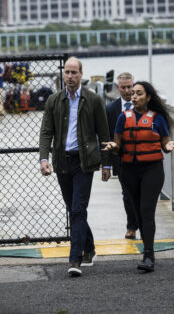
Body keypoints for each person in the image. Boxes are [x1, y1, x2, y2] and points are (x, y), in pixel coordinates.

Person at [39, 57, 111, 277]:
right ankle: (89, 247)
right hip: (62, 161)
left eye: (73, 72)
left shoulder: (93, 100)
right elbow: (46, 132)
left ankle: (75, 259)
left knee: (78, 209)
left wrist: (106, 163)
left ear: (81, 74)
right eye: (66, 72)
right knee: (73, 209)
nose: (69, 76)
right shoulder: (53, 100)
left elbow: (104, 133)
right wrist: (44, 159)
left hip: (85, 161)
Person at [102, 81, 174, 273]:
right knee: (136, 211)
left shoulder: (158, 118)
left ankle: (149, 255)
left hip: (152, 170)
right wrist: (113, 147)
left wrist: (168, 148)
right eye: (133, 93)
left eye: (139, 93)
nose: (134, 97)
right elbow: (118, 146)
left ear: (148, 97)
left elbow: (165, 144)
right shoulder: (122, 118)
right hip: (129, 170)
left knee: (146, 210)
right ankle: (147, 252)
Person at [105, 72, 138, 240]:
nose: (127, 91)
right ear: (118, 88)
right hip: (122, 160)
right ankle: (131, 226)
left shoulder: (143, 106)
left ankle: (143, 223)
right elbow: (107, 136)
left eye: (130, 87)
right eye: (123, 87)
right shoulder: (111, 109)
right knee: (127, 194)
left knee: (143, 194)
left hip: (142, 157)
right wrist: (107, 165)